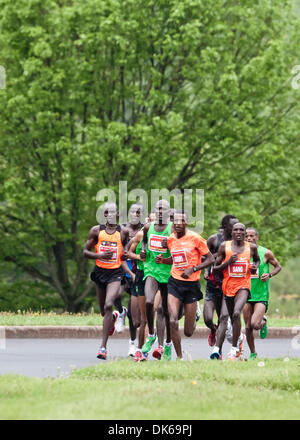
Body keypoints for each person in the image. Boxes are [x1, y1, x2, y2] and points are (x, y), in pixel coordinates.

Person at [156, 211, 214, 359]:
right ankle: (180, 357)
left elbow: (210, 259)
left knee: (188, 332)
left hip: (191, 285)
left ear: (186, 222)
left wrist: (193, 269)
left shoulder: (196, 238)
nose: (177, 224)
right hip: (174, 282)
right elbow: (175, 260)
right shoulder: (170, 239)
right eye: (175, 221)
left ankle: (195, 315)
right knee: (172, 320)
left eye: (181, 221)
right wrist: (163, 260)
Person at [83, 202, 129, 360]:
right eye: (107, 212)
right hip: (100, 272)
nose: (110, 214)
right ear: (104, 214)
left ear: (117, 214)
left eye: (113, 212)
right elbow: (85, 252)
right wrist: (100, 256)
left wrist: (125, 256)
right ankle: (114, 316)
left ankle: (103, 347)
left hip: (115, 273)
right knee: (104, 311)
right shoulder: (96, 231)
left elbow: (126, 250)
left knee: (109, 304)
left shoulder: (123, 232)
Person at [211, 223, 260, 360]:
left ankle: (233, 349)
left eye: (241, 230)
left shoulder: (251, 248)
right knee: (226, 318)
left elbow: (257, 260)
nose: (238, 232)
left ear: (244, 233)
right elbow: (215, 269)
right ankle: (217, 348)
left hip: (243, 286)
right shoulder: (224, 247)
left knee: (237, 313)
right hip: (228, 287)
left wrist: (254, 267)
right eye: (235, 230)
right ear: (231, 232)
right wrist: (228, 263)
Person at [139, 200, 173, 360]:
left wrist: (169, 245)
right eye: (158, 208)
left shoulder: (172, 229)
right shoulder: (148, 227)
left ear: (168, 212)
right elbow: (144, 241)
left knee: (165, 311)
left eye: (163, 209)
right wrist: (144, 250)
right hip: (151, 270)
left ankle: (167, 344)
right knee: (149, 302)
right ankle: (151, 335)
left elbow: (180, 251)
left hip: (167, 273)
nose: (160, 211)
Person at [243, 228, 282, 359]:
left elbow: (278, 266)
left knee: (255, 325)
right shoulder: (240, 252)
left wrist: (269, 274)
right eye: (246, 236)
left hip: (260, 295)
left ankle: (262, 321)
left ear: (257, 237)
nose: (249, 238)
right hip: (245, 294)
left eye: (251, 236)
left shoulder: (265, 253)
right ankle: (253, 353)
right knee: (247, 327)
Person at [204, 215, 239, 349]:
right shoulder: (214, 239)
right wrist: (206, 271)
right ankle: (213, 330)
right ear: (225, 227)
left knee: (224, 317)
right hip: (213, 285)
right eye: (233, 226)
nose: (236, 228)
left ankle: (217, 351)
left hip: (228, 285)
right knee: (207, 319)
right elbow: (203, 257)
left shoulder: (238, 243)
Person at [115, 203, 144, 357]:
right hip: (122, 270)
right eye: (133, 211)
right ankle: (120, 312)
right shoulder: (122, 229)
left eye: (138, 212)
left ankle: (132, 343)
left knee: (135, 315)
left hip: (138, 272)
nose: (135, 214)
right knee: (115, 296)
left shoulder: (145, 229)